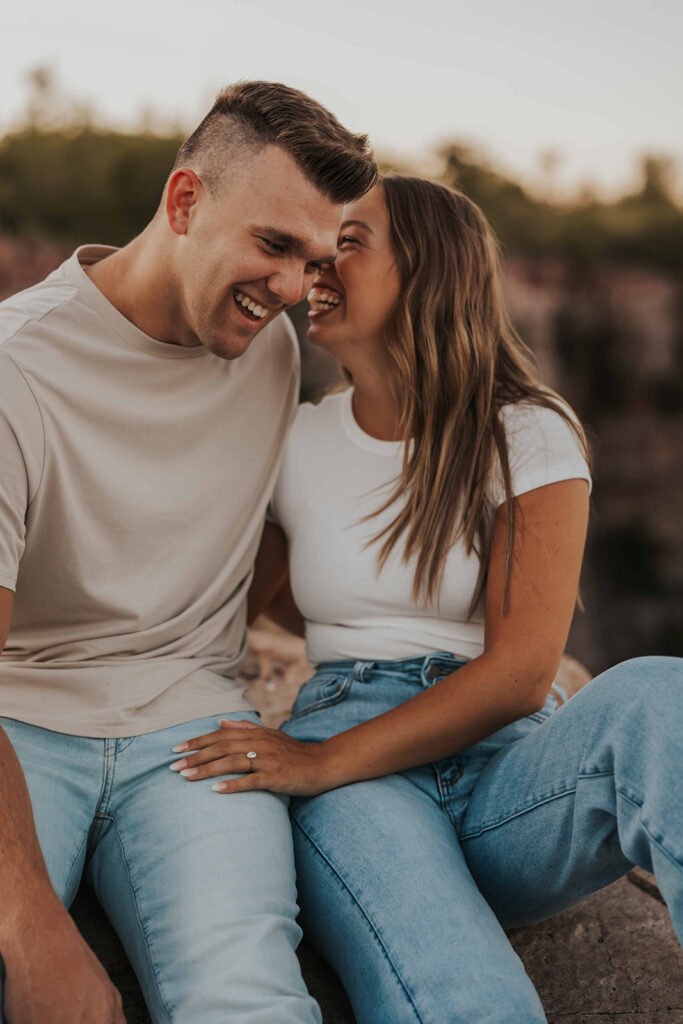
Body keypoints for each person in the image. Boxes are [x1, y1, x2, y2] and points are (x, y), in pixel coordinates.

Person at [172, 175, 683, 1023]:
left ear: (427, 271)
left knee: (662, 693)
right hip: (356, 773)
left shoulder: (524, 428)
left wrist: (318, 763)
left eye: (349, 242)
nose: (315, 267)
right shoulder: (293, 438)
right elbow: (223, 598)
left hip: (506, 774)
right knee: (467, 995)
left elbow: (522, 673)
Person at [0, 81, 377, 1023]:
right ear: (183, 202)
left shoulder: (271, 349)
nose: (293, 288)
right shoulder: (17, 370)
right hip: (22, 724)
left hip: (195, 732)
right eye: (274, 245)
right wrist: (33, 926)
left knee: (246, 997)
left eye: (315, 259)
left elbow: (269, 545)